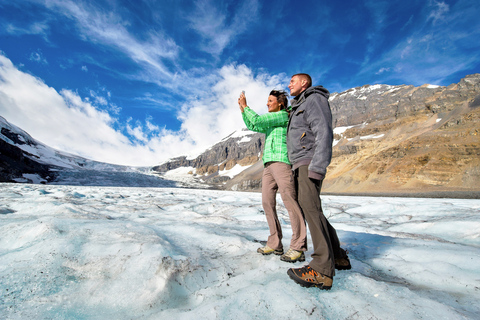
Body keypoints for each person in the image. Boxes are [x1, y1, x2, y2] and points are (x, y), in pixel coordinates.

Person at [285, 73, 351, 290]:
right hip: (300, 163)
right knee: (313, 209)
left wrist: (318, 166)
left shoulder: (314, 99)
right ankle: (338, 255)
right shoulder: (298, 105)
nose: (289, 84)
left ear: (304, 83)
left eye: (292, 81)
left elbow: (323, 132)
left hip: (309, 161)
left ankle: (322, 269)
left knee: (311, 209)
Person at [238, 90, 307, 263]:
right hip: (268, 164)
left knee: (290, 202)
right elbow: (253, 126)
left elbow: (258, 120)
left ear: (280, 103)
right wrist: (242, 110)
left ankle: (298, 246)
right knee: (267, 202)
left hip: (281, 162)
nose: (267, 104)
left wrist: (246, 106)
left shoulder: (282, 115)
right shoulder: (273, 120)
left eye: (270, 101)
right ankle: (275, 243)